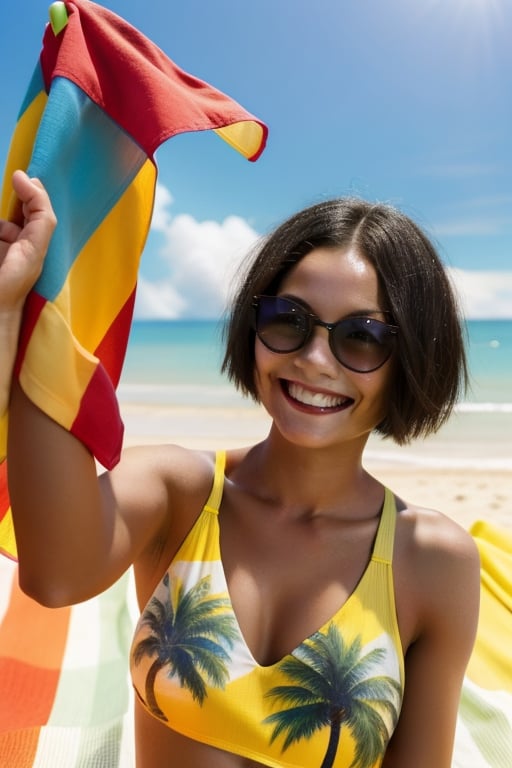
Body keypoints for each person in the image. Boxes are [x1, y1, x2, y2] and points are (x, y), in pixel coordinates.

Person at [2, 170, 480, 768]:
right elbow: (53, 577)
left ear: (409, 358)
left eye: (360, 337)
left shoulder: (432, 562)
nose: (312, 360)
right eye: (289, 319)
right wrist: (10, 310)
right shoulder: (179, 492)